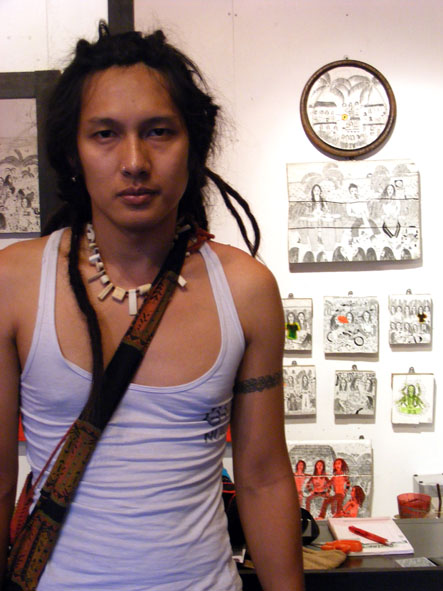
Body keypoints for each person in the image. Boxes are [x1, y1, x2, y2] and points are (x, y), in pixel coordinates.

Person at [0, 23, 304, 591]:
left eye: (159, 132)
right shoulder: (15, 282)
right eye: (105, 134)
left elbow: (263, 479)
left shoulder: (245, 290)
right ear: (73, 151)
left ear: (194, 144)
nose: (135, 161)